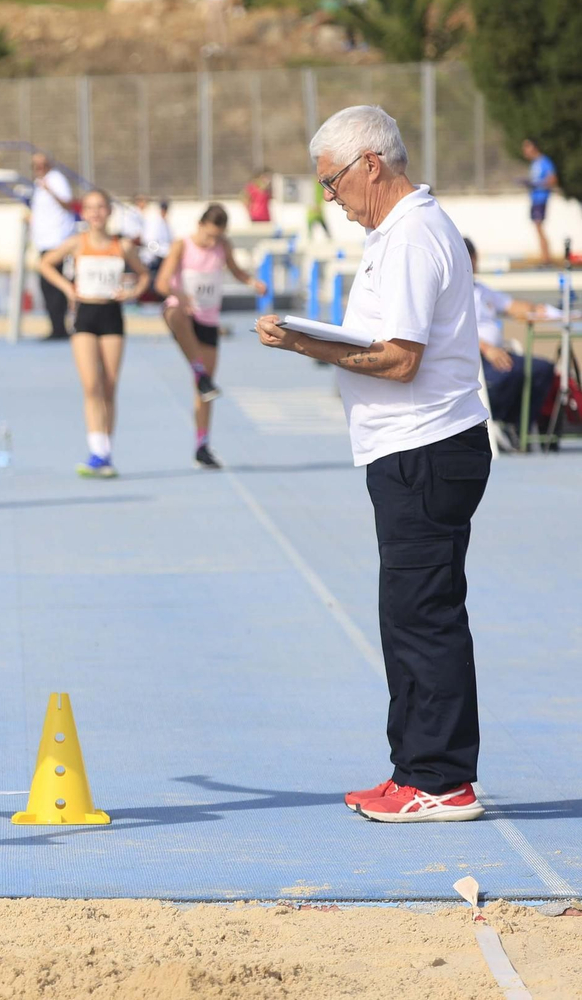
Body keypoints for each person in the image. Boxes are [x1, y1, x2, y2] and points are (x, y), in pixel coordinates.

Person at [257, 105, 491, 823]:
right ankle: (415, 769)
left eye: (332, 184)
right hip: (411, 447)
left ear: (371, 165)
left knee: (423, 615)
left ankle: (442, 780)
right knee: (407, 614)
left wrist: (305, 344)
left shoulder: (414, 235)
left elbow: (398, 358)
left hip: (426, 446)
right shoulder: (397, 232)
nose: (332, 200)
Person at [37, 188, 149, 478]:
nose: (96, 212)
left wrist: (132, 292)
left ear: (109, 211)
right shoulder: (77, 242)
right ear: (83, 213)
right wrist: (67, 289)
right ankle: (96, 450)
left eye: (101, 207)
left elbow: (144, 275)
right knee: (91, 385)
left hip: (112, 316)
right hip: (85, 315)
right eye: (90, 208)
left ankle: (106, 452)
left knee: (109, 385)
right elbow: (44, 263)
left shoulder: (121, 246)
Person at [156, 204, 266, 469]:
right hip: (183, 312)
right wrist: (181, 296)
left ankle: (202, 444)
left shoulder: (222, 246)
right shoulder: (182, 245)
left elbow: (236, 271)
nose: (212, 241)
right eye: (209, 236)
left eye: (217, 237)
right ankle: (198, 371)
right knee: (173, 313)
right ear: (200, 225)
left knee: (204, 391)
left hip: (208, 318)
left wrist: (253, 283)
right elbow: (161, 283)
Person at [465, 238, 559, 439]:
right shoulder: (452, 293)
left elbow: (511, 305)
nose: (473, 263)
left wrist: (537, 309)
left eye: (474, 258)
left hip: (500, 354)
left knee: (543, 369)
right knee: (511, 376)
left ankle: (519, 426)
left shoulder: (482, 289)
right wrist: (487, 349)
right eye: (469, 258)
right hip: (479, 358)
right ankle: (500, 420)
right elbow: (456, 332)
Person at [29, 152, 76, 339]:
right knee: (48, 286)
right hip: (45, 241)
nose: (38, 168)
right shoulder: (39, 183)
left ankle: (59, 328)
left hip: (56, 242)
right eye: (35, 165)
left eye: (42, 164)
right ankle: (56, 326)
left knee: (53, 285)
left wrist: (50, 190)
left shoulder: (56, 180)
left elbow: (67, 204)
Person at [521, 138, 558, 268]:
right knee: (538, 228)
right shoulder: (534, 164)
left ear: (534, 147)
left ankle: (547, 259)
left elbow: (552, 180)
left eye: (527, 147)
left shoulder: (544, 162)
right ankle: (545, 258)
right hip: (535, 199)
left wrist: (537, 184)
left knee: (540, 228)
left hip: (541, 200)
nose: (525, 150)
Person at [139, 197, 173, 295]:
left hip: (162, 256)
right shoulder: (154, 222)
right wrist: (164, 252)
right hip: (153, 259)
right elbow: (149, 243)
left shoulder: (166, 223)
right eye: (163, 208)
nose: (164, 211)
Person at [307, 175, 332, 241]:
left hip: (317, 207)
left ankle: (328, 235)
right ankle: (310, 237)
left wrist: (319, 204)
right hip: (314, 207)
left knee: (320, 221)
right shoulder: (313, 184)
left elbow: (320, 195)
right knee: (311, 221)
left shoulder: (319, 184)